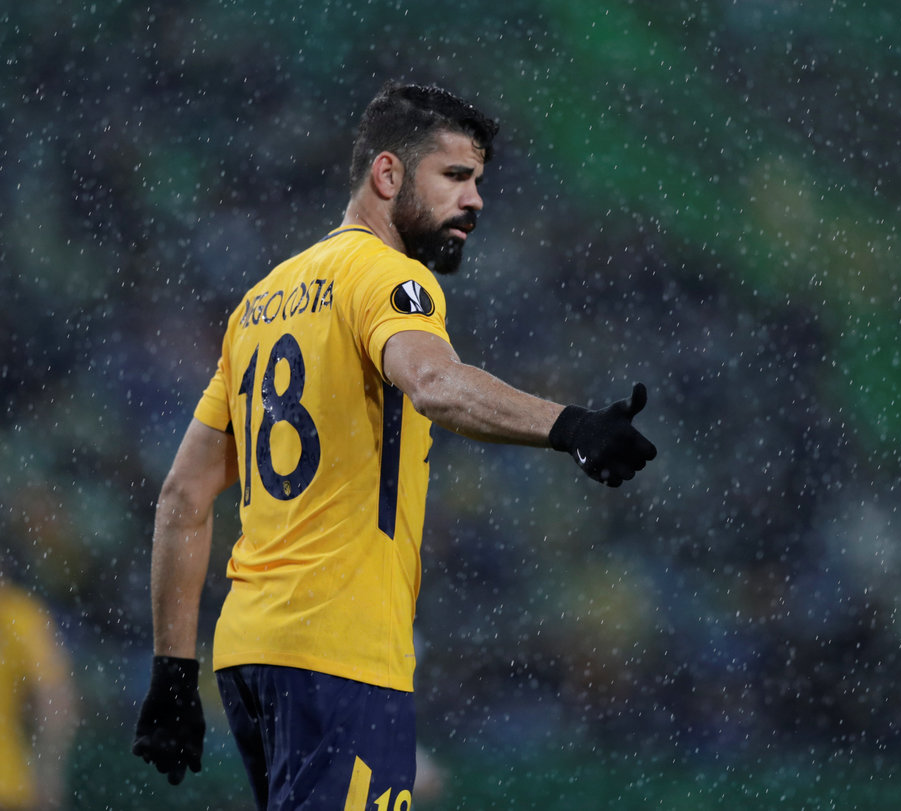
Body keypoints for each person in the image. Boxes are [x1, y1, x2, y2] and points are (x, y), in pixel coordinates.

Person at [131, 81, 657, 809]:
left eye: (478, 181)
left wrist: (172, 670)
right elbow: (434, 382)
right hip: (339, 651)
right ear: (387, 174)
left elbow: (184, 495)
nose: (475, 200)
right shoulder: (389, 277)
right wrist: (573, 427)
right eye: (455, 176)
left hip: (252, 650)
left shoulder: (259, 303)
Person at [0, 567, 76, 811]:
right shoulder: (19, 616)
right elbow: (55, 699)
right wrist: (49, 773)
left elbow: (54, 699)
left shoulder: (18, 616)